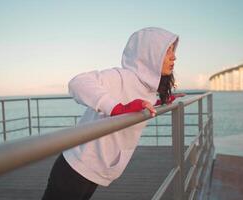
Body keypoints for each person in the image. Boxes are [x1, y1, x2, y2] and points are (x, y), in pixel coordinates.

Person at [42, 27, 184, 200]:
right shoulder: (121, 77)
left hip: (96, 170)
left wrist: (160, 102)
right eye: (167, 50)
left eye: (173, 50)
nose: (173, 56)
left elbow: (134, 100)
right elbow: (78, 82)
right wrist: (116, 108)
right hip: (75, 167)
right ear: (149, 54)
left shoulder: (147, 87)